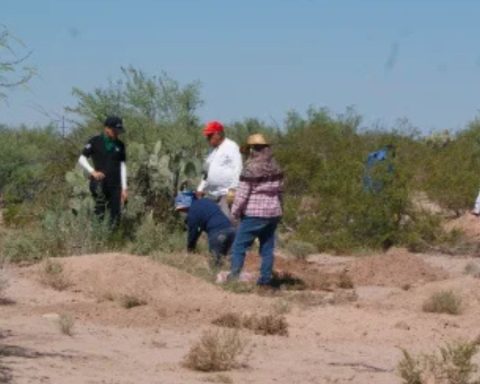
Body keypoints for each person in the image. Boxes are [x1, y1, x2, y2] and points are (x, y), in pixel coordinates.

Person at [228, 133, 284, 286]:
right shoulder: (276, 167)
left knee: (239, 246)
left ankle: (233, 279)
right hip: (273, 213)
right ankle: (265, 281)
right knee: (267, 248)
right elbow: (280, 192)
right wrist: (280, 211)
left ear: (252, 150)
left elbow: (242, 194)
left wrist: (234, 213)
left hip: (254, 213)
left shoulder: (250, 169)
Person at [78, 116, 128, 226]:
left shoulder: (120, 145)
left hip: (116, 184)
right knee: (100, 211)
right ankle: (98, 237)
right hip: (99, 183)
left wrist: (124, 188)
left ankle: (112, 239)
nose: (117, 133)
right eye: (114, 130)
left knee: (115, 214)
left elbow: (123, 166)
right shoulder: (95, 141)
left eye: (118, 130)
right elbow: (82, 158)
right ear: (107, 128)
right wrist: (93, 172)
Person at [175, 191, 236, 268]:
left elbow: (193, 233)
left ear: (186, 205)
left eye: (182, 209)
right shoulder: (206, 201)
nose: (183, 212)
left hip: (218, 234)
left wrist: (190, 249)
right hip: (232, 231)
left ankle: (214, 277)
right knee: (232, 262)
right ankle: (233, 277)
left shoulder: (192, 212)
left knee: (215, 263)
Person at [197, 121, 242, 221]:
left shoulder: (232, 146)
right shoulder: (211, 151)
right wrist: (200, 188)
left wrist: (233, 189)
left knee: (228, 222)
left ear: (218, 134)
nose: (207, 138)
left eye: (210, 135)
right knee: (214, 223)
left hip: (226, 193)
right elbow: (206, 172)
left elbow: (237, 168)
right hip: (212, 195)